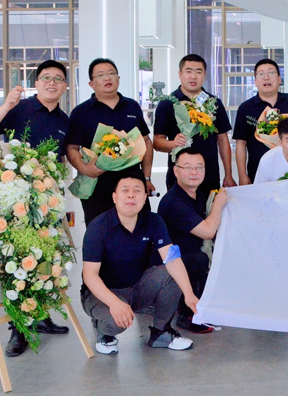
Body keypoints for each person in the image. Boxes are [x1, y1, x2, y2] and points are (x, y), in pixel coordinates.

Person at [0, 60, 71, 355]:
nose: (51, 82)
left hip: (46, 203)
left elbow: (62, 161)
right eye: (46, 78)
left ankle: (40, 317)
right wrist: (7, 105)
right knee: (17, 264)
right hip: (15, 201)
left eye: (58, 78)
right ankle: (18, 329)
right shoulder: (20, 109)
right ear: (36, 83)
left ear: (65, 86)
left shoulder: (65, 120)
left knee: (46, 260)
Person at [81, 174, 197, 354]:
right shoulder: (98, 227)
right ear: (114, 197)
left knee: (171, 274)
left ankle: (161, 332)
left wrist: (189, 294)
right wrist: (114, 303)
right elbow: (90, 275)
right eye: (125, 191)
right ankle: (104, 331)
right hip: (103, 293)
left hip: (136, 287)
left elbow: (172, 258)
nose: (131, 195)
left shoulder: (154, 221)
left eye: (137, 191)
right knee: (115, 323)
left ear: (144, 197)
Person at [67, 58, 153, 224]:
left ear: (118, 79)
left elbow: (146, 142)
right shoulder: (81, 112)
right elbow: (72, 148)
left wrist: (147, 177)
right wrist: (85, 168)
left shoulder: (132, 106)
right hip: (97, 185)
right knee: (100, 232)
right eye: (100, 75)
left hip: (132, 184)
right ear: (91, 83)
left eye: (111, 73)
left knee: (140, 230)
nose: (107, 78)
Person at [157, 147, 229, 334]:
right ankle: (188, 315)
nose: (194, 172)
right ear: (176, 171)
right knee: (199, 259)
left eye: (199, 167)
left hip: (191, 255)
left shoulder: (198, 194)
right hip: (170, 264)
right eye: (188, 167)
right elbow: (207, 231)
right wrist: (218, 204)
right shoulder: (174, 202)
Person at [153, 54, 234, 203]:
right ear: (180, 74)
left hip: (209, 176)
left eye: (198, 72)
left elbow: (223, 140)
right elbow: (157, 142)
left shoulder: (214, 103)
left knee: (212, 214)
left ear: (204, 75)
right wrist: (173, 144)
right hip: (179, 178)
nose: (193, 76)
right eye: (189, 71)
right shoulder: (168, 104)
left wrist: (228, 175)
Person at [233, 59, 288, 185]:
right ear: (255, 81)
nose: (266, 78)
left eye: (271, 73)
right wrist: (242, 175)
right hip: (258, 172)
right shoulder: (246, 108)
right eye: (261, 74)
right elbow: (241, 144)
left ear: (279, 79)